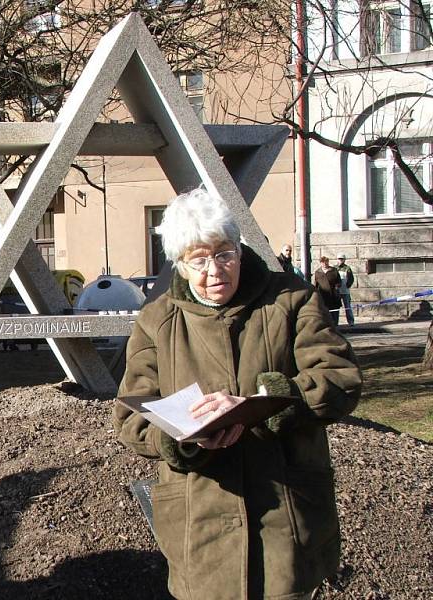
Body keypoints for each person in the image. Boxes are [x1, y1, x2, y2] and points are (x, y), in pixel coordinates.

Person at [113, 188, 361, 600]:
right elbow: (132, 416)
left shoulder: (291, 299)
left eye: (224, 253)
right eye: (199, 259)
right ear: (179, 263)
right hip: (200, 523)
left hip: (286, 514)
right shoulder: (157, 320)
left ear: (239, 250)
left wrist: (267, 403)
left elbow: (339, 377)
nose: (215, 270)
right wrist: (182, 438)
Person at [314, 255, 342, 325]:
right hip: (323, 295)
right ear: (321, 263)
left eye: (326, 262)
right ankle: (325, 324)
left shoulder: (334, 271)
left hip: (333, 294)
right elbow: (316, 284)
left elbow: (339, 281)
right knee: (324, 310)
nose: (325, 264)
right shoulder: (318, 272)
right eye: (323, 262)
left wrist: (337, 287)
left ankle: (335, 324)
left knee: (334, 310)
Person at [336, 253, 355, 326]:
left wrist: (348, 285)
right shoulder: (334, 268)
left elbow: (351, 278)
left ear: (344, 260)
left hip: (345, 291)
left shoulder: (347, 268)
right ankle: (335, 322)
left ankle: (351, 322)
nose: (340, 260)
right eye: (339, 259)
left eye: (341, 259)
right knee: (336, 307)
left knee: (347, 307)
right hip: (337, 291)